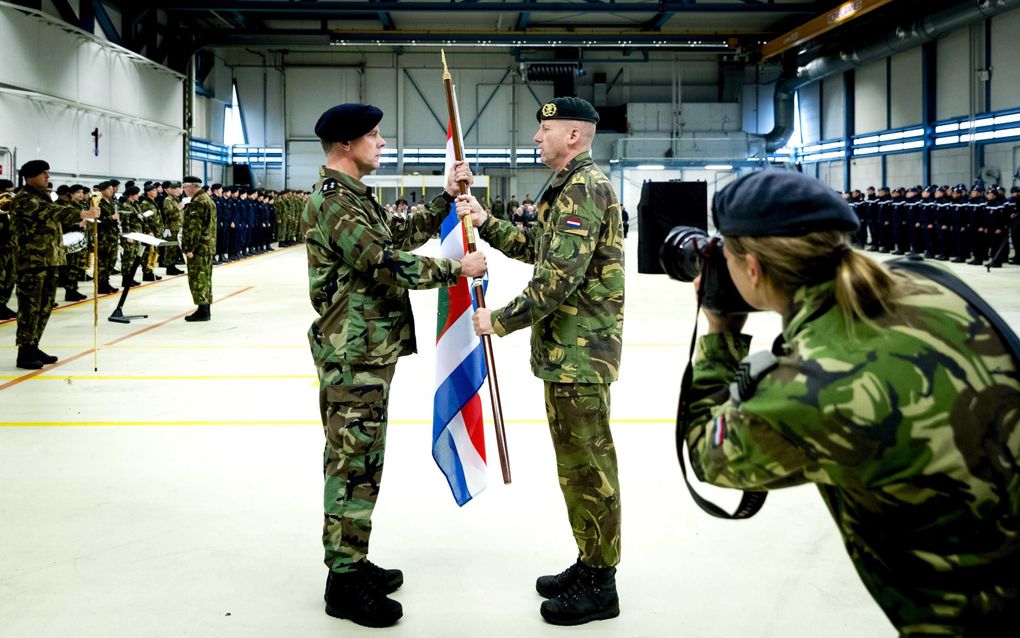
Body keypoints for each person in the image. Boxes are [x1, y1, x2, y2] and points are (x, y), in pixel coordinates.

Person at [682, 170, 1020, 636]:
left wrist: (720, 332)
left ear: (753, 268)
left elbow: (707, 456)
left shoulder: (809, 390)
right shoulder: (928, 281)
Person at [303, 102, 486, 629]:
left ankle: (353, 560)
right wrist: (458, 267)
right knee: (352, 461)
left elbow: (397, 237)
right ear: (344, 144)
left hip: (367, 351)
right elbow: (384, 261)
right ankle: (343, 579)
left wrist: (444, 200)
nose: (381, 143)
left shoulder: (355, 199)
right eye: (374, 136)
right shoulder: (335, 202)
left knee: (364, 460)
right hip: (352, 355)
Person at [463, 96, 625, 627]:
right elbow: (540, 247)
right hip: (567, 353)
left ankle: (602, 582)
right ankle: (589, 560)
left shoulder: (584, 188)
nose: (537, 138)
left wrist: (500, 320)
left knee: (588, 467)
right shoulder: (567, 186)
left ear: (574, 135)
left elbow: (558, 278)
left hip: (581, 354)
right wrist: (486, 221)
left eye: (545, 129)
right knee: (576, 467)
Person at [9, 160, 99, 369]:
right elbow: (52, 211)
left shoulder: (43, 195)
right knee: (30, 307)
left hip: (49, 259)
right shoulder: (24, 199)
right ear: (31, 176)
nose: (47, 176)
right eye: (43, 173)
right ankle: (24, 351)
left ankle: (34, 344)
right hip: (31, 262)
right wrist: (82, 213)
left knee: (45, 305)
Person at [180, 176, 216, 322]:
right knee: (205, 278)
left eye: (184, 187)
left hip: (199, 248)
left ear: (192, 186)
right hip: (207, 246)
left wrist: (189, 248)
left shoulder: (198, 203)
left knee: (198, 279)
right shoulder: (208, 200)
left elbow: (195, 229)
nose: (184, 190)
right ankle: (204, 308)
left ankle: (203, 311)